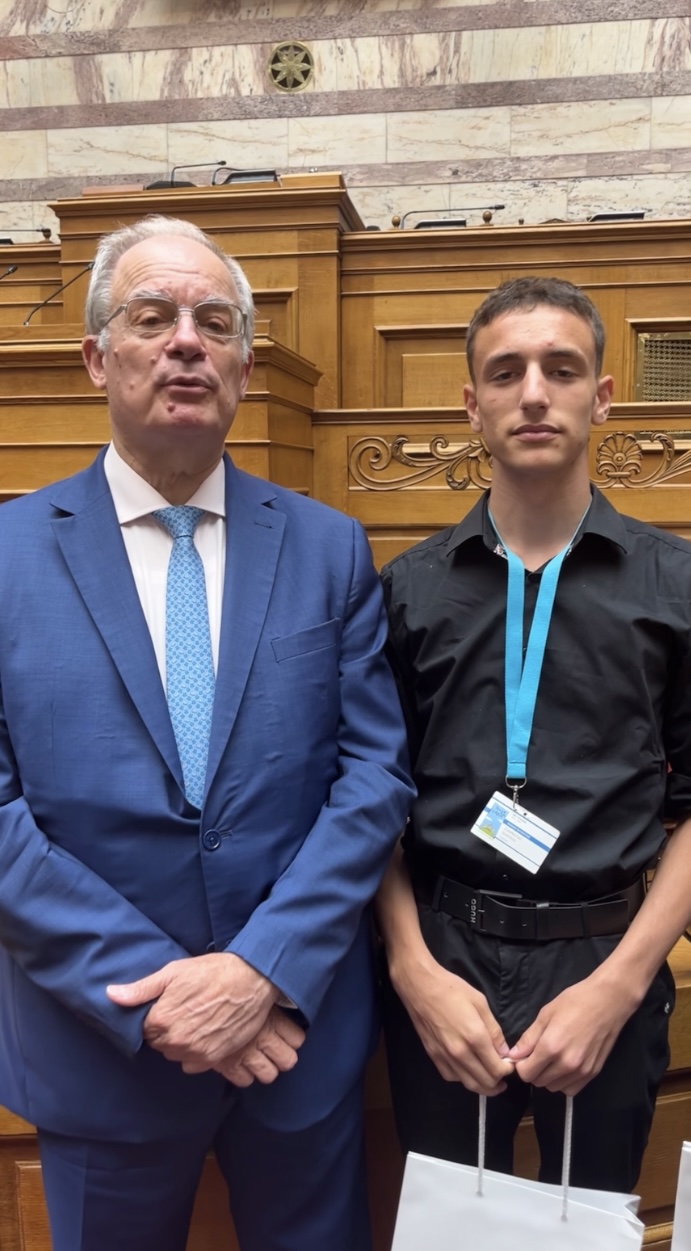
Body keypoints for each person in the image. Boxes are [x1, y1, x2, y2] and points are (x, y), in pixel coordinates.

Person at [0, 214, 414, 1251]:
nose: (186, 341)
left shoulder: (327, 547)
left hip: (294, 1041)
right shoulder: (5, 553)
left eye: (215, 322)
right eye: (153, 317)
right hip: (101, 1044)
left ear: (242, 366)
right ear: (96, 357)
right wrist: (159, 994)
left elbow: (372, 775)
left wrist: (259, 971)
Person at [377, 276, 691, 1193]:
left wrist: (619, 985)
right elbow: (367, 800)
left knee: (583, 1227)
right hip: (444, 954)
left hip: (605, 954)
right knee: (448, 1227)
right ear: (470, 405)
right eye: (505, 372)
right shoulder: (408, 591)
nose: (533, 393)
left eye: (561, 368)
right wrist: (411, 968)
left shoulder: (674, 586)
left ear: (601, 396)